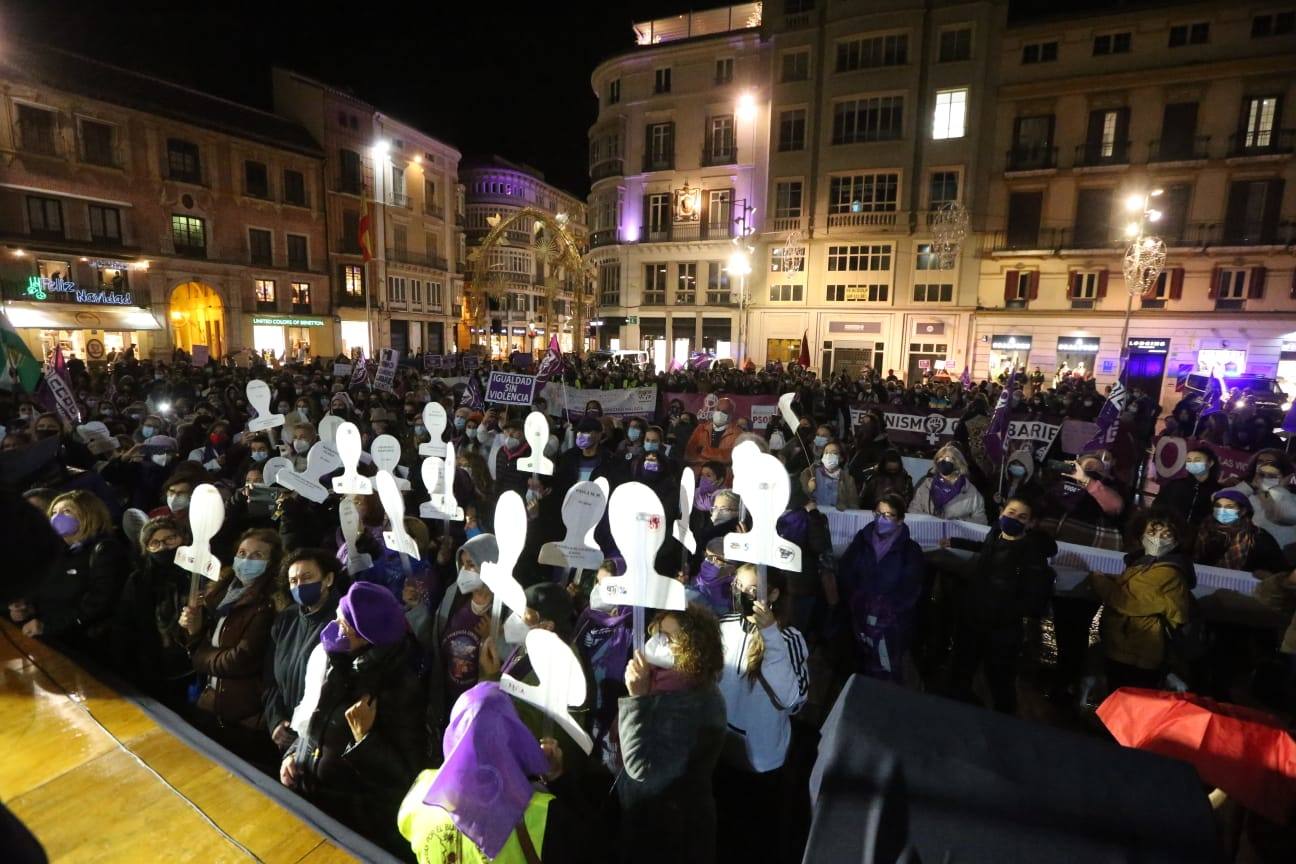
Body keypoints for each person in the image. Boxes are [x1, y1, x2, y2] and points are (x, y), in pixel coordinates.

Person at [282, 581, 426, 857]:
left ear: (366, 635)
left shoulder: (399, 687)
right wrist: (294, 755)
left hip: (350, 826)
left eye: (343, 621)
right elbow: (313, 719)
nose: (335, 625)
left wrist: (365, 738)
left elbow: (404, 777)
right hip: (311, 800)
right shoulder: (338, 660)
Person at [398, 682, 600, 864]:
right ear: (514, 737)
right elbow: (590, 849)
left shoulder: (420, 796)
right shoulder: (543, 816)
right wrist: (558, 779)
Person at [617, 604, 726, 864]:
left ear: (692, 648)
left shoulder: (692, 701)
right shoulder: (666, 681)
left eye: (668, 638)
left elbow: (641, 767)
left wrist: (637, 699)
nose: (656, 642)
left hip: (671, 831)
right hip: (653, 817)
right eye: (657, 633)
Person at [715, 565, 809, 864]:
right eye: (738, 587)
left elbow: (792, 700)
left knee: (753, 840)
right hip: (720, 752)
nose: (742, 595)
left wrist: (769, 634)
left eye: (752, 590)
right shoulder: (724, 626)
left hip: (761, 762)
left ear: (773, 594)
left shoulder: (790, 639)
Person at [947, 497, 1057, 713]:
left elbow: (1033, 599)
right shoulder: (995, 534)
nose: (1014, 519)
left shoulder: (1032, 553)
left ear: (1031, 524)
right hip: (973, 619)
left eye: (1022, 517)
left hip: (1002, 630)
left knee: (1000, 681)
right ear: (1001, 513)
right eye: (1011, 512)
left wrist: (1003, 614)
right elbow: (986, 552)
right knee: (961, 671)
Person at [179, 528, 282, 759]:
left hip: (243, 715)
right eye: (242, 552)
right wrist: (192, 629)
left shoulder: (268, 605)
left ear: (272, 563)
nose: (246, 560)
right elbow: (206, 640)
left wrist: (197, 651)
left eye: (257, 556)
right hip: (211, 703)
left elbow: (240, 660)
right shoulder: (220, 594)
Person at [9, 490, 126, 653]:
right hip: (51, 639)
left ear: (89, 514)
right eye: (54, 512)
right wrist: (28, 609)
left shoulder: (104, 550)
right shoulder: (55, 551)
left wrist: (47, 625)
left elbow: (98, 604)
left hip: (86, 645)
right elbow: (50, 592)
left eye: (66, 511)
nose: (57, 517)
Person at [1088, 515, 1194, 690]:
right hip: (1127, 647)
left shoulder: (1167, 571)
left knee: (1127, 705)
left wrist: (1099, 580)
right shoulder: (1144, 564)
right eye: (1152, 532)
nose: (1157, 539)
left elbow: (1127, 600)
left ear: (1177, 541)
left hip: (1138, 652)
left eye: (1166, 535)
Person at [834, 493, 925, 681]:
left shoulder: (910, 550)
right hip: (859, 618)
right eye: (878, 514)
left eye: (888, 515)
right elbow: (846, 570)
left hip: (890, 625)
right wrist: (855, 599)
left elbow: (911, 587)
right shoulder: (862, 540)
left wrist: (886, 608)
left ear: (900, 519)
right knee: (860, 664)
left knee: (886, 669)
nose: (881, 519)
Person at [263, 548, 344, 756]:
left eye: (307, 577)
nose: (299, 585)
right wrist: (275, 719)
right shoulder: (286, 620)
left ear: (328, 579)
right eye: (293, 581)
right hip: (285, 732)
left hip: (319, 742)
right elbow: (270, 678)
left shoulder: (341, 623)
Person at [110, 516, 193, 705]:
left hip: (192, 665)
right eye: (154, 543)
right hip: (154, 665)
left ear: (183, 539)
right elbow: (125, 624)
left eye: (170, 539)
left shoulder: (196, 576)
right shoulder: (138, 581)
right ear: (146, 548)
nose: (163, 546)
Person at [1228, 451, 1296, 555]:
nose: (1264, 465)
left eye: (1271, 463)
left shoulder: (1292, 499)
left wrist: (1279, 490)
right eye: (1260, 462)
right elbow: (1218, 499)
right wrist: (1250, 486)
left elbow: (1286, 515)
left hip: (1280, 561)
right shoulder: (1247, 493)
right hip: (1245, 554)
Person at [1151, 445, 1221, 544]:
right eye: (1189, 460)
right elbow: (1157, 506)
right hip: (1170, 538)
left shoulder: (1219, 491)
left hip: (1200, 542)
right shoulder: (1175, 485)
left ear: (1210, 463)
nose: (1192, 463)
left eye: (1197, 460)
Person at [910, 443, 987, 524]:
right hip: (927, 533)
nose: (942, 461)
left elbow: (981, 521)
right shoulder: (926, 486)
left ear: (958, 462)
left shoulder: (971, 492)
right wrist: (929, 522)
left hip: (956, 535)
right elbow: (913, 510)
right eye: (940, 458)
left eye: (947, 458)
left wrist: (957, 524)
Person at [683, 397, 741, 472]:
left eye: (724, 412)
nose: (720, 413)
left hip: (723, 478)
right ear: (713, 410)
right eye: (718, 410)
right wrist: (718, 456)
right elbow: (689, 454)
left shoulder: (738, 433)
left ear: (731, 415)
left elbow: (732, 457)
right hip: (700, 475)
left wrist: (704, 451)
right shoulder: (701, 429)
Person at [800, 439, 860, 511]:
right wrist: (809, 489)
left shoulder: (848, 480)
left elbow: (853, 505)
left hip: (837, 517)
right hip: (815, 516)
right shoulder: (810, 473)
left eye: (834, 453)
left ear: (841, 458)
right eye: (826, 452)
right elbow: (798, 499)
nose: (829, 455)